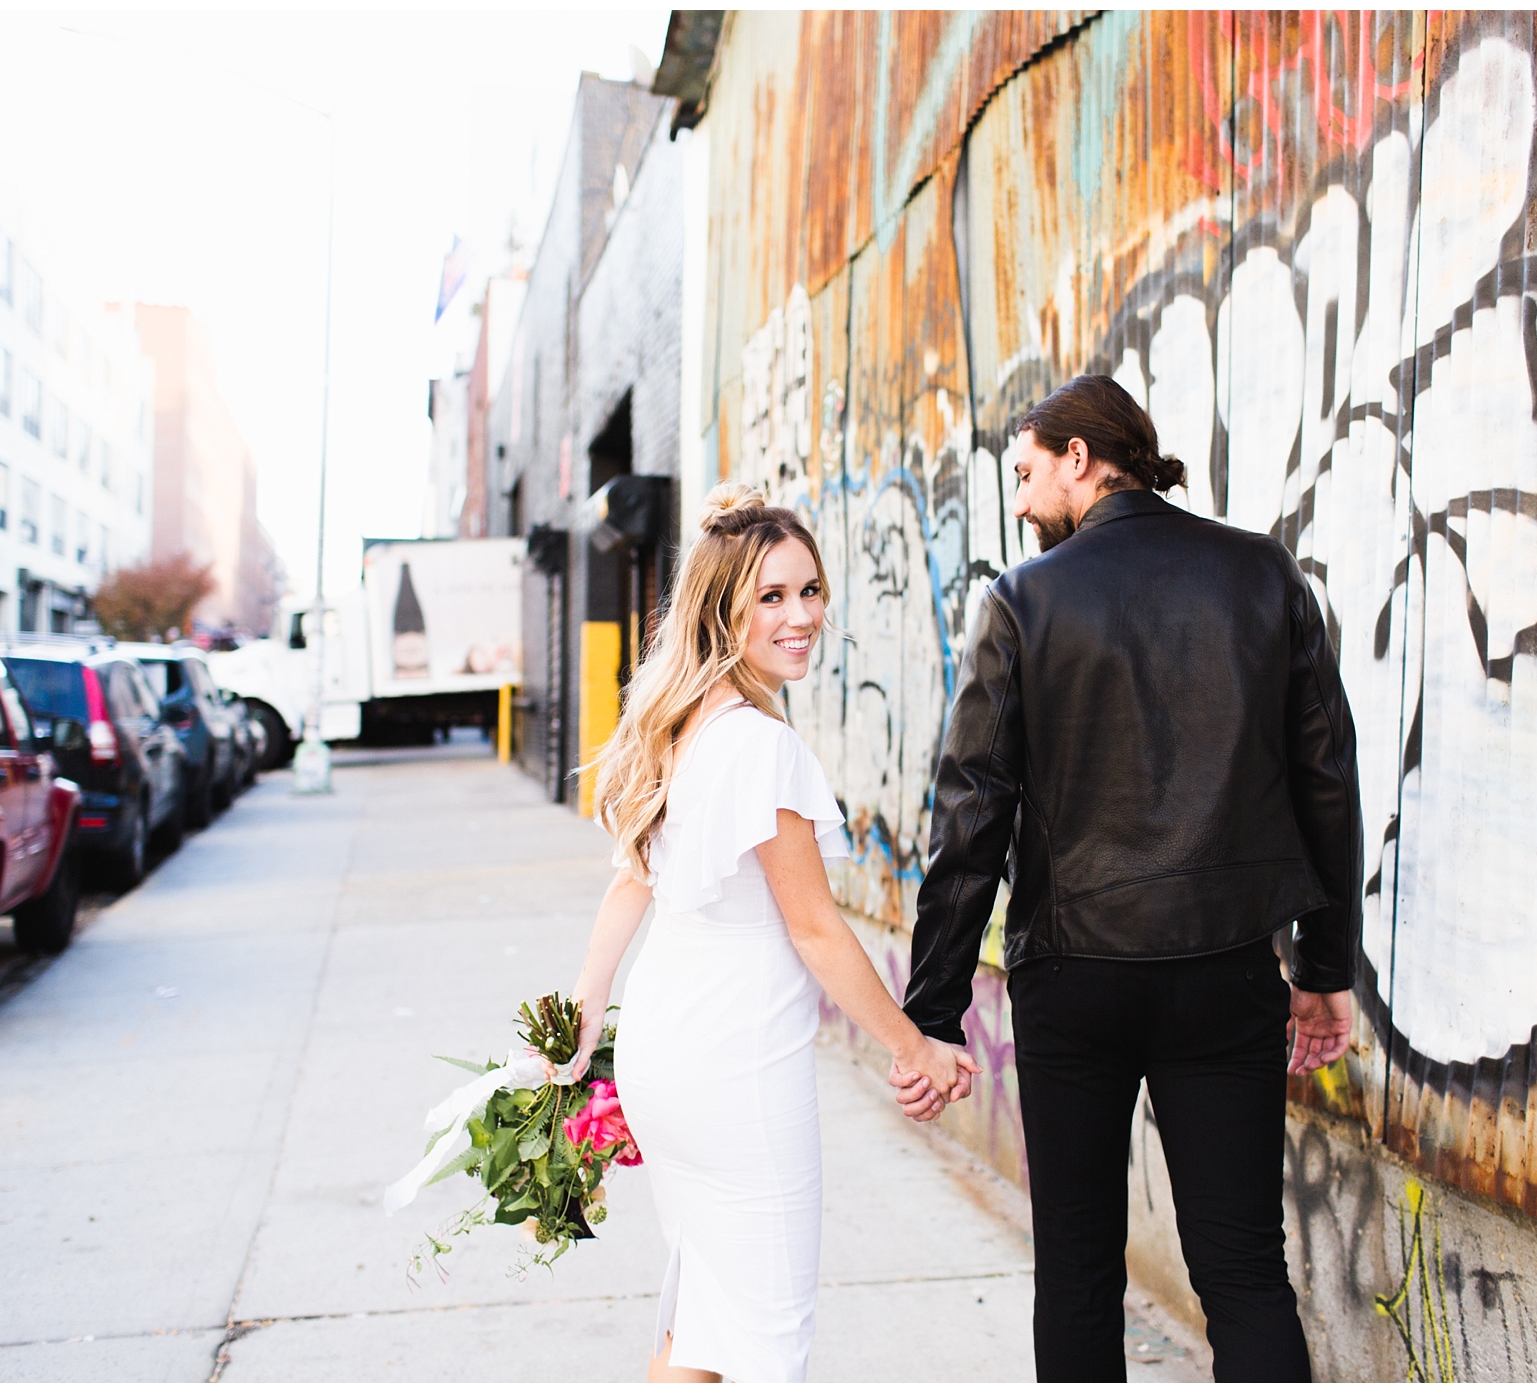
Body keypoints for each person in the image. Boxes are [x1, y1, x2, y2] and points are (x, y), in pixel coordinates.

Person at [893, 374, 1363, 1382]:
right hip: (1227, 968)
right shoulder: (1261, 573)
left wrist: (932, 1010)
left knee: (1075, 1269)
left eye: (1025, 473)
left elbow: (970, 816)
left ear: (1079, 459)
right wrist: (1325, 965)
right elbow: (1325, 778)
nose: (1018, 502)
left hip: (1075, 979)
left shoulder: (1024, 602)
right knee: (1242, 1270)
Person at [565, 483, 981, 1384]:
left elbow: (626, 891)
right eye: (771, 597)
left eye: (810, 590)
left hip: (666, 1057)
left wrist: (585, 1021)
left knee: (705, 1319)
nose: (801, 617)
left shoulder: (675, 728)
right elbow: (818, 931)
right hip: (736, 1072)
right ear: (724, 610)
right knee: (764, 1339)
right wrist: (915, 1047)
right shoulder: (761, 748)